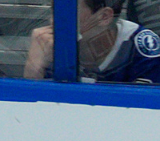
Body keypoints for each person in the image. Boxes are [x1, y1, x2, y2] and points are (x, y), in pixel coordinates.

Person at [24, 0, 160, 82]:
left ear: (104, 16)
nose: (53, 21)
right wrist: (33, 69)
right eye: (55, 10)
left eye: (68, 11)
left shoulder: (142, 49)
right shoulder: (49, 45)